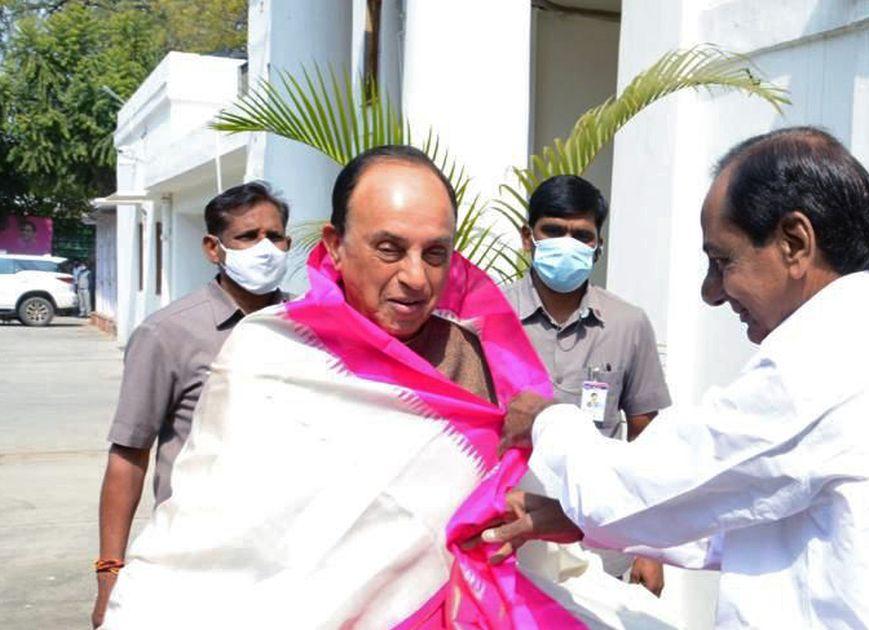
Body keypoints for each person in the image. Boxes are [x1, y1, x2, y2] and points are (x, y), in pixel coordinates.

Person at [99, 146, 677, 629]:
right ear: (335, 244)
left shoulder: (473, 356)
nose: (415, 277)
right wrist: (116, 578)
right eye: (389, 249)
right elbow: (209, 529)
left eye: (435, 254)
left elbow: (508, 506)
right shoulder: (268, 350)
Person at [487, 127, 869, 629]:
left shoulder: (828, 363)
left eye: (723, 261)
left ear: (794, 242)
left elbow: (637, 486)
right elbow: (757, 519)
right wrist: (580, 521)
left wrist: (548, 421)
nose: (711, 292)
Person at [91, 181, 292, 628]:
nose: (265, 249)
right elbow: (129, 454)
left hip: (287, 558)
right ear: (213, 248)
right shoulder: (167, 334)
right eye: (248, 236)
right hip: (194, 558)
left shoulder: (308, 325)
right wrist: (109, 573)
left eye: (275, 236)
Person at [503, 174, 671, 592]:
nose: (568, 243)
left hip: (600, 548)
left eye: (581, 235)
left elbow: (648, 438)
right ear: (527, 238)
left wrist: (650, 548)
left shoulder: (628, 324)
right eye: (553, 231)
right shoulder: (490, 317)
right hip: (509, 539)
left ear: (598, 246)